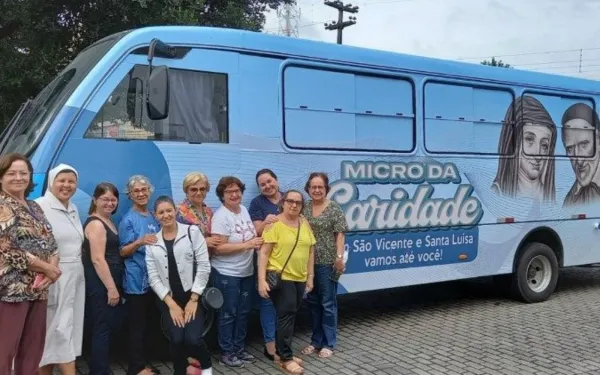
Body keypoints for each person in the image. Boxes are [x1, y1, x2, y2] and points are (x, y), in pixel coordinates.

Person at [0, 152, 60, 375]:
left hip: (38, 289)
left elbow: (51, 241)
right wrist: (46, 268)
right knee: (4, 352)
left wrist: (52, 269)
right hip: (10, 290)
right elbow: (7, 249)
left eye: (23, 173)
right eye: (11, 173)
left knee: (33, 350)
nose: (18, 178)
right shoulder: (2, 205)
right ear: (1, 177)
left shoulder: (34, 206)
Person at [146, 196, 213, 375]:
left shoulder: (192, 232)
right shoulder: (152, 242)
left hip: (192, 296)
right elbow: (153, 277)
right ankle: (179, 371)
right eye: (161, 212)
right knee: (176, 339)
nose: (166, 215)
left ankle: (207, 368)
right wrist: (171, 304)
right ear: (155, 215)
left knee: (193, 339)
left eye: (169, 210)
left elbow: (204, 265)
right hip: (169, 300)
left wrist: (194, 298)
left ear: (175, 211)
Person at [258, 190, 315, 374]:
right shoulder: (275, 224)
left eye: (298, 202)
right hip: (282, 279)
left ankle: (281, 352)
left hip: (300, 278)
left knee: (289, 316)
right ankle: (286, 358)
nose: (294, 205)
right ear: (283, 203)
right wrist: (261, 280)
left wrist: (310, 277)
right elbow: (264, 253)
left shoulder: (304, 222)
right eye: (290, 201)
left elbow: (310, 250)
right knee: (287, 316)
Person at [37, 164, 85, 375]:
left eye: (71, 181)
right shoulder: (39, 207)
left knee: (61, 334)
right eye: (61, 180)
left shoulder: (73, 208)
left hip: (75, 278)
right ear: (51, 182)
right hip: (54, 277)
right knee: (56, 332)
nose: (66, 185)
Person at [210, 176, 262, 368]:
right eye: (229, 192)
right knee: (228, 313)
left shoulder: (245, 210)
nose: (234, 194)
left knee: (243, 312)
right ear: (222, 196)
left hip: (246, 271)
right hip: (226, 273)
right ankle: (227, 353)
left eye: (237, 190)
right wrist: (247, 244)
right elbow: (218, 248)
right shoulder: (221, 216)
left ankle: (239, 349)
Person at [302, 172, 348, 359]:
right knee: (313, 303)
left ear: (326, 189)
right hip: (307, 263)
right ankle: (316, 341)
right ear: (308, 189)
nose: (317, 190)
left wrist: (338, 258)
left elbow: (340, 234)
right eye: (313, 187)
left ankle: (329, 343)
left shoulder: (334, 208)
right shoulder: (304, 207)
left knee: (328, 304)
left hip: (327, 263)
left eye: (320, 187)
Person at [118, 175, 160, 375]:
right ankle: (135, 368)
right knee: (137, 328)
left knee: (150, 325)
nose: (141, 194)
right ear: (130, 195)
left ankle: (145, 364)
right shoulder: (128, 220)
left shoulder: (153, 215)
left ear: (150, 192)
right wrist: (139, 242)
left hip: (154, 280)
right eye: (137, 191)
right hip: (136, 282)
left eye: (144, 190)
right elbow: (123, 251)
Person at [82, 182, 125, 375]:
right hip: (101, 282)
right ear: (95, 200)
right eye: (105, 199)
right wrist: (111, 288)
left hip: (109, 279)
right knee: (103, 327)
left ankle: (99, 366)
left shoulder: (108, 221)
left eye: (113, 200)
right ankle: (100, 371)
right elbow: (98, 259)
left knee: (105, 325)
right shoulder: (96, 224)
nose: (109, 203)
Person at [491, 95, 557, 201]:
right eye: (529, 139)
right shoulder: (497, 192)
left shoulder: (548, 196)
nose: (538, 154)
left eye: (544, 145)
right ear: (513, 141)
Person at [248, 168, 282, 361]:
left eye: (270, 181)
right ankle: (270, 348)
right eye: (263, 184)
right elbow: (256, 231)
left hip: (290, 263)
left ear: (276, 180)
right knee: (268, 303)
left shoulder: (289, 199)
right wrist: (265, 223)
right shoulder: (257, 203)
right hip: (269, 264)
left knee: (285, 306)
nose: (267, 186)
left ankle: (283, 344)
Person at [561, 102, 600, 207]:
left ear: (598, 140)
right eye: (570, 148)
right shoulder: (570, 200)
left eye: (584, 144)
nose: (579, 160)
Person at [176, 172, 223, 251]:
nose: (198, 193)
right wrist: (203, 242)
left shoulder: (208, 211)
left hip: (209, 260)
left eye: (202, 189)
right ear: (186, 191)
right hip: (190, 260)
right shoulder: (179, 212)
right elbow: (176, 241)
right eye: (194, 189)